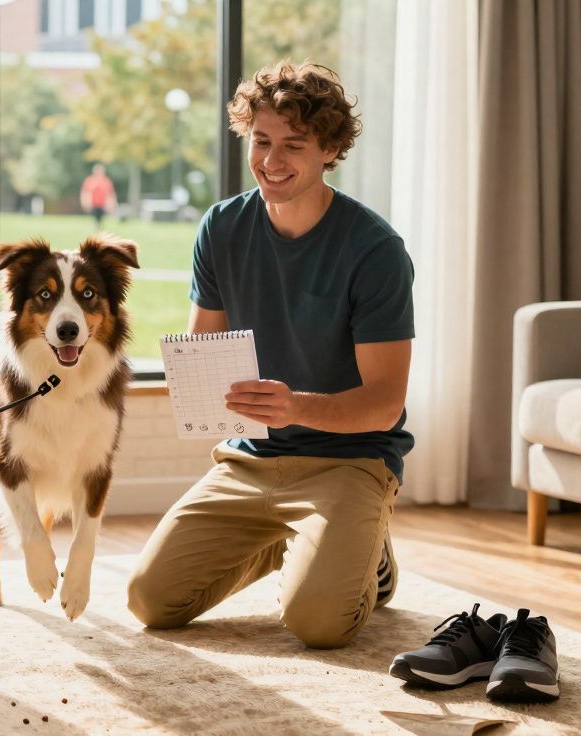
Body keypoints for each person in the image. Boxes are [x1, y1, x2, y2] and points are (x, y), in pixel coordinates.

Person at [126, 61, 414, 649]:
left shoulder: (375, 250)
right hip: (250, 460)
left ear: (330, 149)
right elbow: (206, 353)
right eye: (261, 141)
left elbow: (385, 405)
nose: (271, 161)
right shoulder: (222, 227)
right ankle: (298, 539)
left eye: (293, 145)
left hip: (350, 461)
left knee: (318, 623)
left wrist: (294, 406)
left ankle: (365, 552)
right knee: (151, 601)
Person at [79, 163, 117, 229]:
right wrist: (85, 202)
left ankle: (98, 225)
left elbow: (110, 193)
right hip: (93, 203)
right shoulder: (89, 180)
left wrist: (111, 203)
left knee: (101, 217)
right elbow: (85, 192)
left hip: (102, 203)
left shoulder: (106, 181)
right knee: (95, 216)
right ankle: (97, 224)